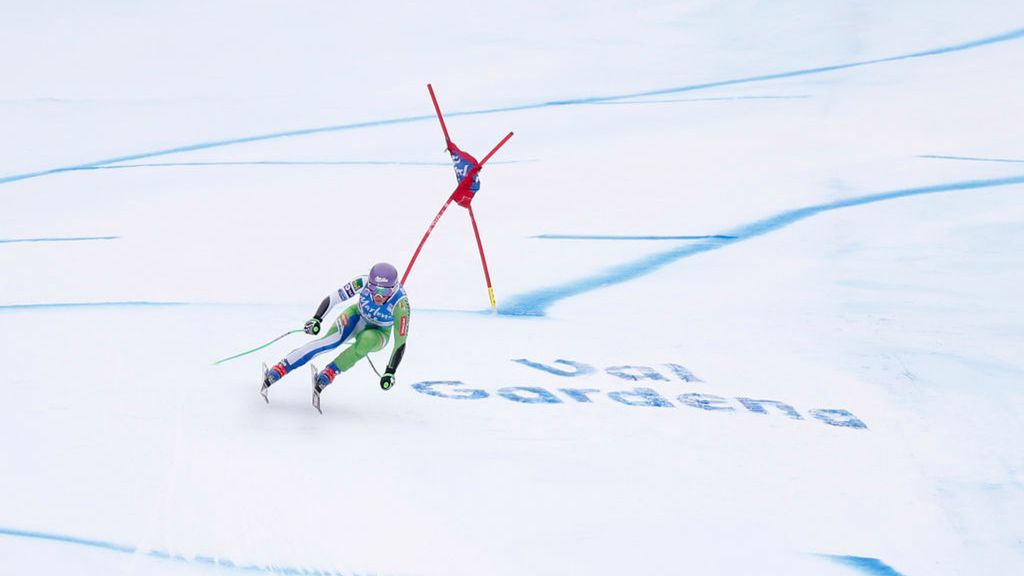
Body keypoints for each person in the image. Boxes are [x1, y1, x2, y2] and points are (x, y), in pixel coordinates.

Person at [261, 262, 410, 413]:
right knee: (329, 341)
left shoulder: (401, 305)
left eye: (384, 292)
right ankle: (282, 367)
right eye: (373, 289)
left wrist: (390, 371)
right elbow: (334, 298)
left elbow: (400, 343)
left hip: (379, 332)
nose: (378, 296)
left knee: (366, 341)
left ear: (393, 289)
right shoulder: (362, 282)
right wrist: (317, 318)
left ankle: (331, 371)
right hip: (357, 317)